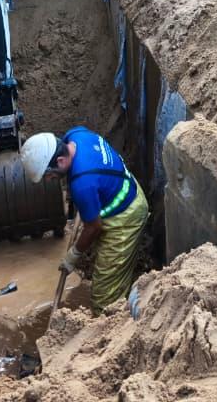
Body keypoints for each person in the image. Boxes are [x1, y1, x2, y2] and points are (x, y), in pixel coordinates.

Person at [21, 128, 148, 314]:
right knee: (101, 261)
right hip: (126, 186)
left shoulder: (83, 184)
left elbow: (94, 227)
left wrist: (73, 255)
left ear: (60, 160)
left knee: (104, 298)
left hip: (126, 218)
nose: (49, 180)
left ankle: (109, 327)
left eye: (49, 175)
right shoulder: (76, 135)